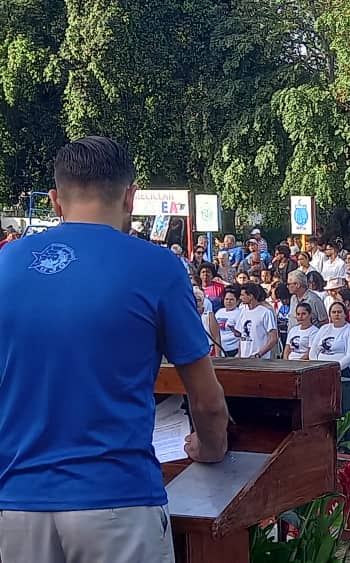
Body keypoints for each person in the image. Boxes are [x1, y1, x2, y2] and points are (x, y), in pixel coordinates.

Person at [0, 136, 229, 562]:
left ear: (54, 201)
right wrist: (210, 448)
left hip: (17, 502)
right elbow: (207, 399)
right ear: (131, 197)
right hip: (117, 500)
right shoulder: (157, 268)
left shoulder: (7, 264)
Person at [310, 301, 350, 414]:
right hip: (320, 371)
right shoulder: (324, 329)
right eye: (333, 312)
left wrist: (333, 369)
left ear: (345, 314)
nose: (336, 315)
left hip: (343, 372)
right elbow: (314, 350)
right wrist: (316, 366)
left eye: (339, 312)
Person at [231, 282, 279, 359]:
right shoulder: (243, 312)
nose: (240, 297)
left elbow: (273, 338)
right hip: (244, 358)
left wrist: (258, 354)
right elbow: (241, 337)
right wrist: (240, 355)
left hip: (260, 360)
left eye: (243, 295)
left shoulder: (265, 312)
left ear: (250, 296)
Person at [214, 286, 242, 357]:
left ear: (237, 301)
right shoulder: (219, 311)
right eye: (226, 299)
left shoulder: (240, 313)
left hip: (233, 349)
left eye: (231, 299)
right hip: (219, 348)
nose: (228, 302)